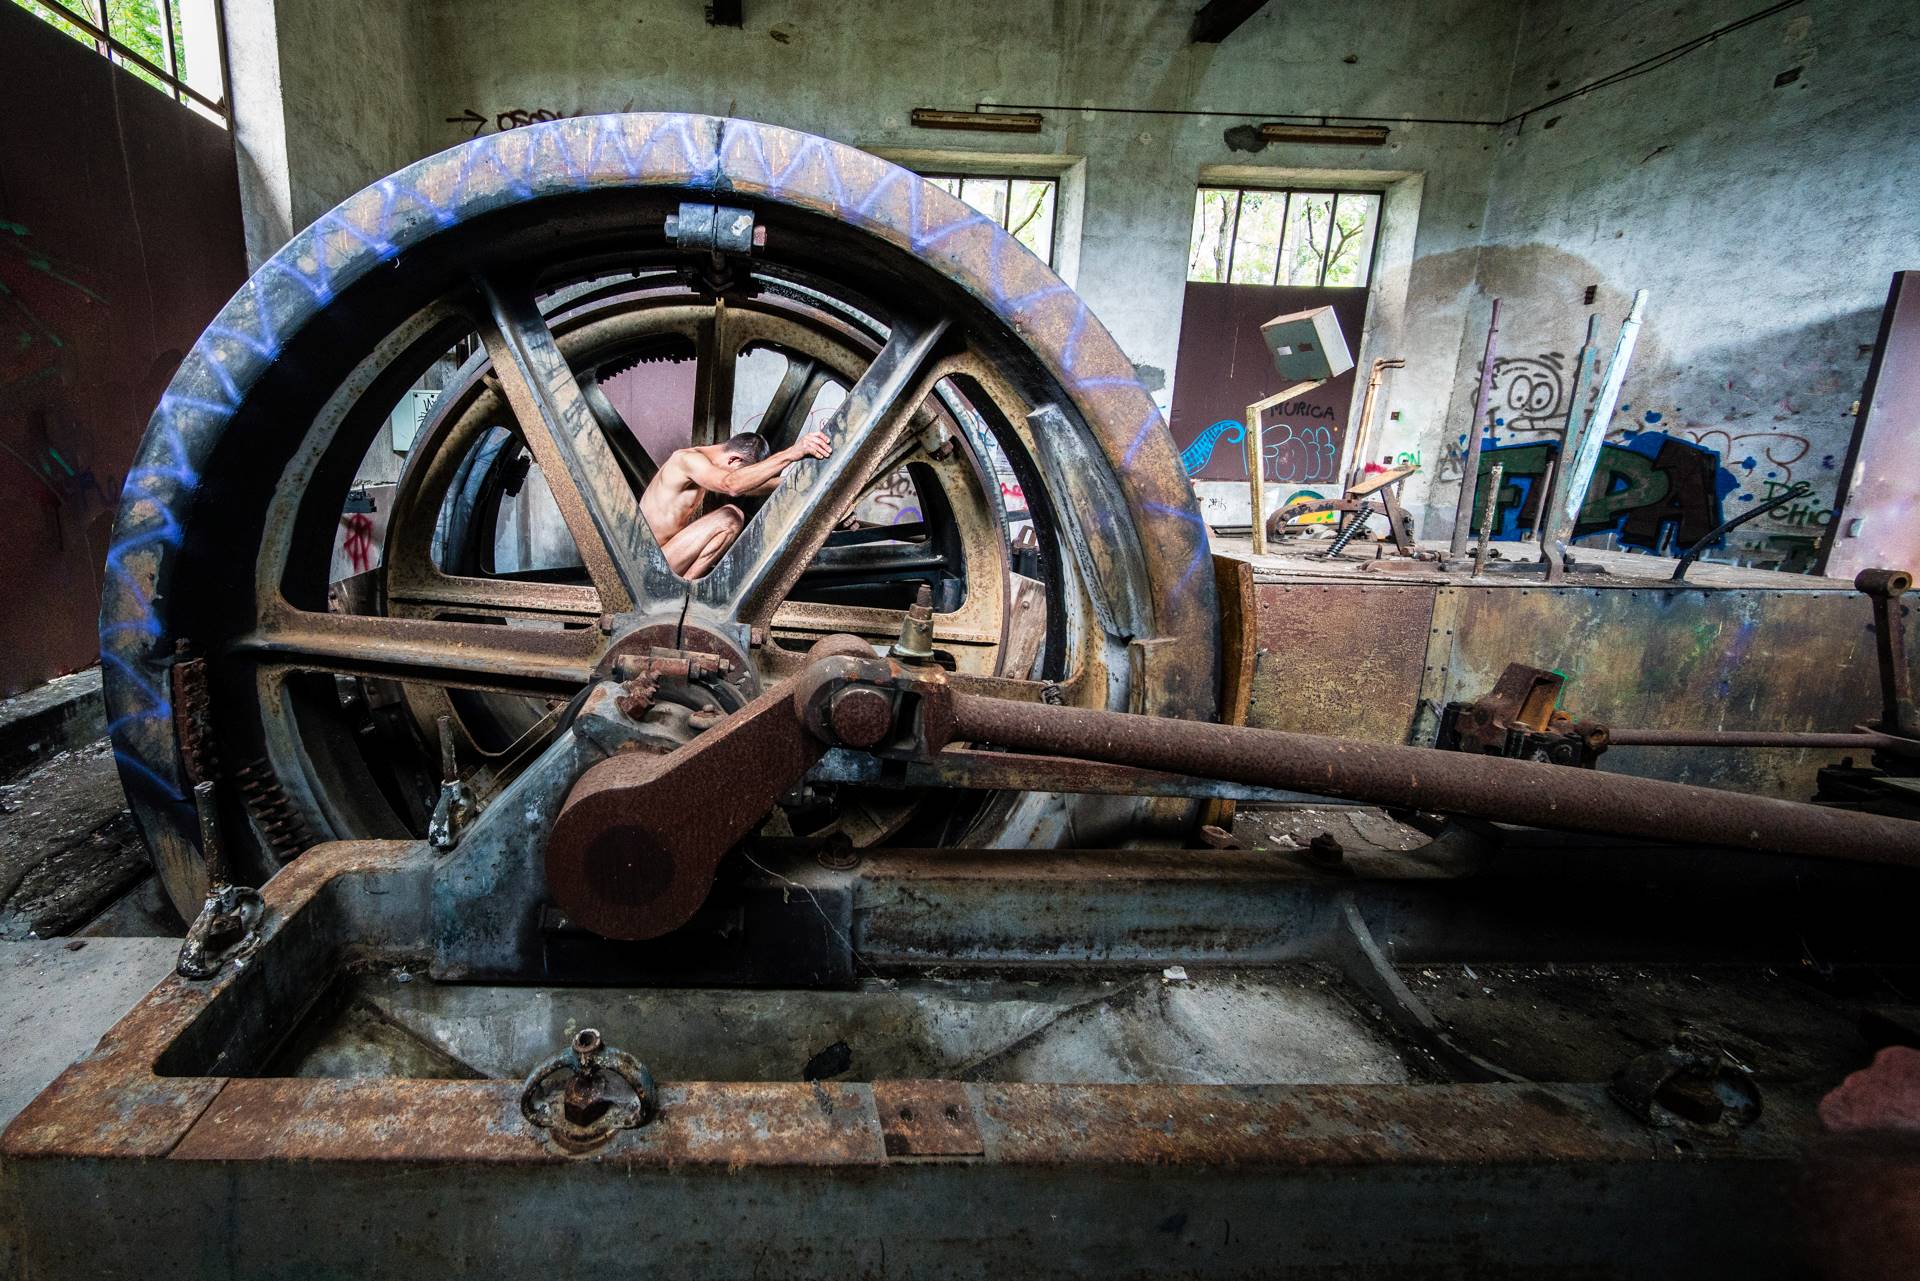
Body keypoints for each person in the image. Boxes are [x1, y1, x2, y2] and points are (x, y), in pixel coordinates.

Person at [639, 429, 833, 578]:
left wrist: (799, 481)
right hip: (646, 564)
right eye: (739, 472)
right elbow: (732, 484)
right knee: (731, 516)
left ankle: (682, 584)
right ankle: (684, 589)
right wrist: (792, 453)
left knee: (731, 513)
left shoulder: (705, 465)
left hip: (661, 557)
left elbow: (747, 486)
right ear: (734, 459)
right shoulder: (687, 460)